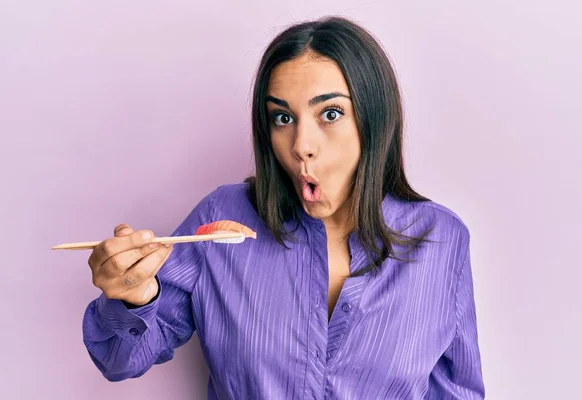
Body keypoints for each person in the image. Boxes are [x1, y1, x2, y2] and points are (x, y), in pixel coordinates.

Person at [82, 15, 485, 399]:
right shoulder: (222, 220)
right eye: (282, 117)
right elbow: (120, 359)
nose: (300, 146)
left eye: (330, 113)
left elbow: (457, 392)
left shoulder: (441, 240)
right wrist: (133, 295)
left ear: (375, 119)